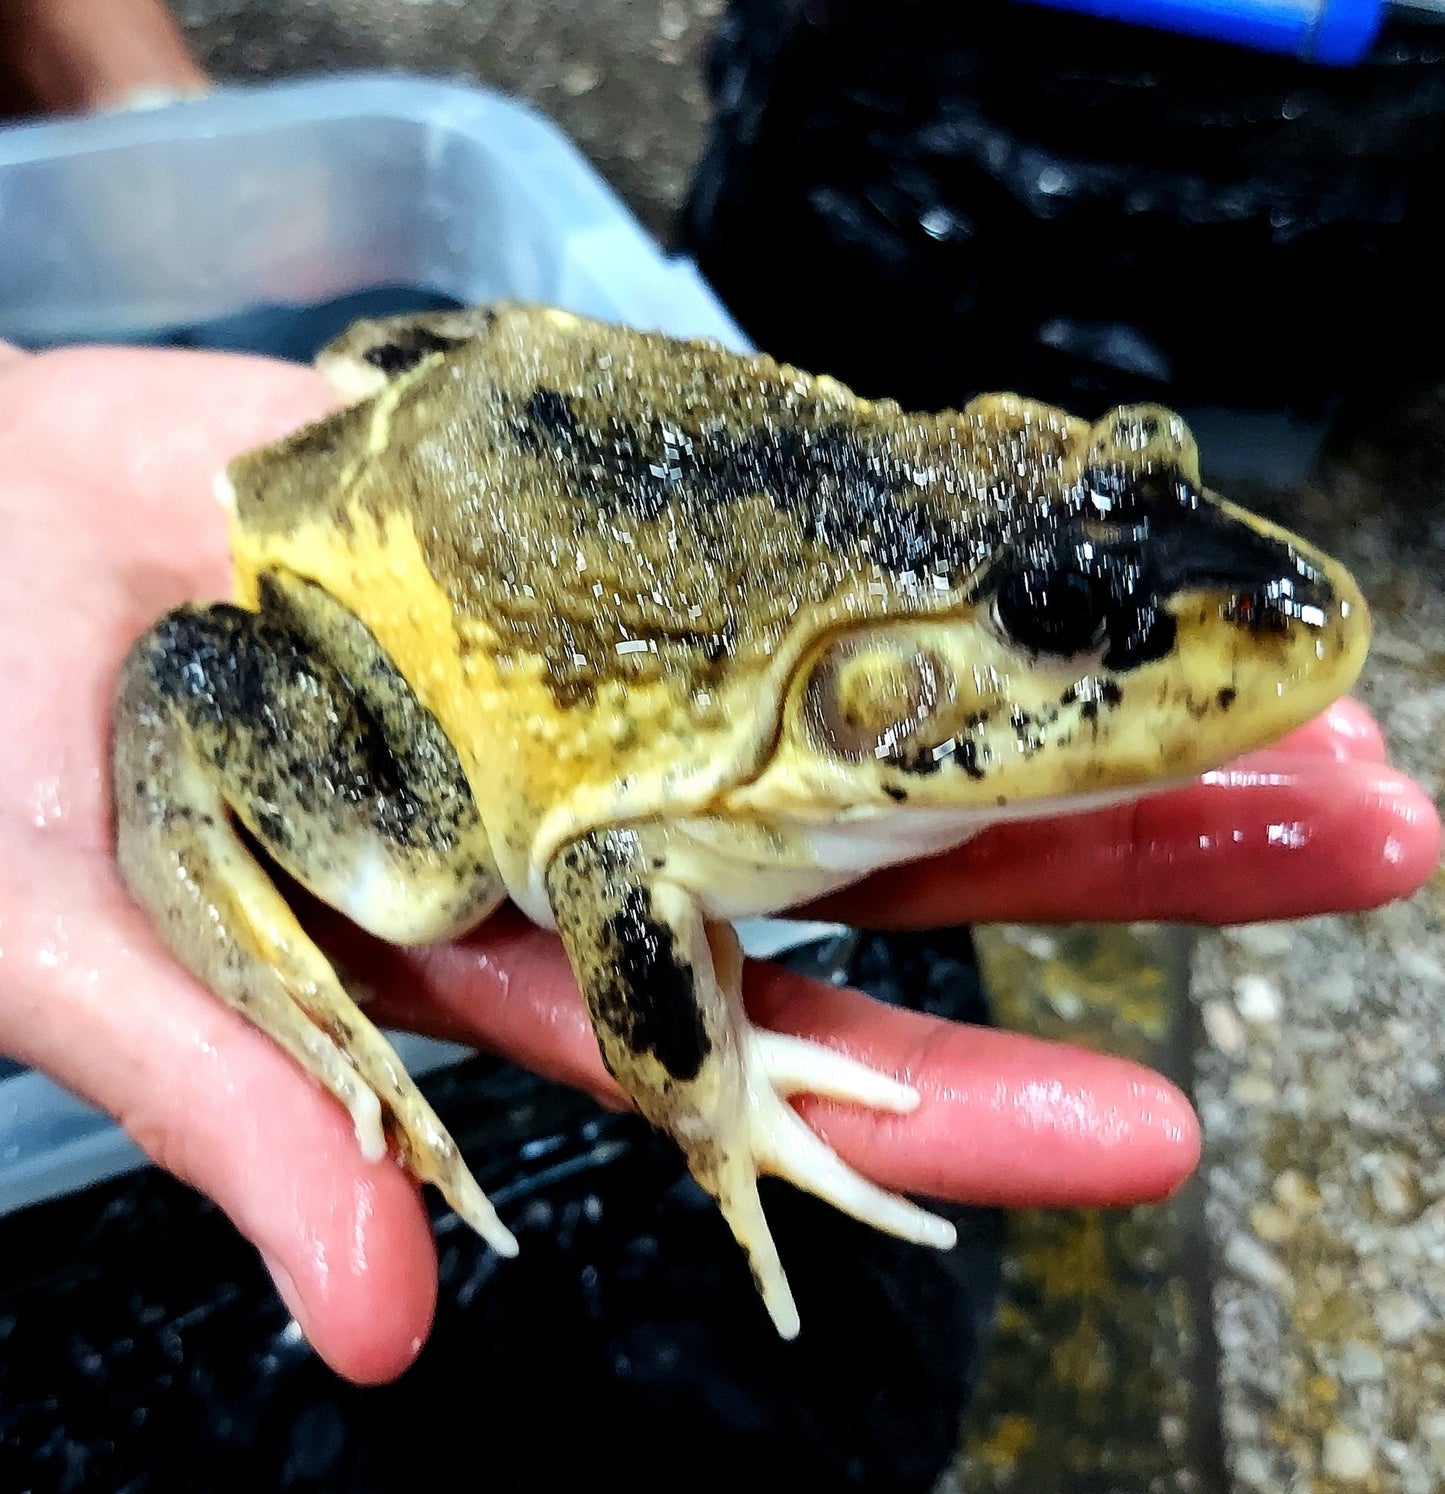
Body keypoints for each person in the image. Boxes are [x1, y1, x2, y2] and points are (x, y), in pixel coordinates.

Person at [0, 12, 1439, 1388]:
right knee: (421, 878)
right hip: (385, 564)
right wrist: (710, 1087)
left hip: (485, 402)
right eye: (1054, 622)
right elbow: (603, 856)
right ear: (881, 686)